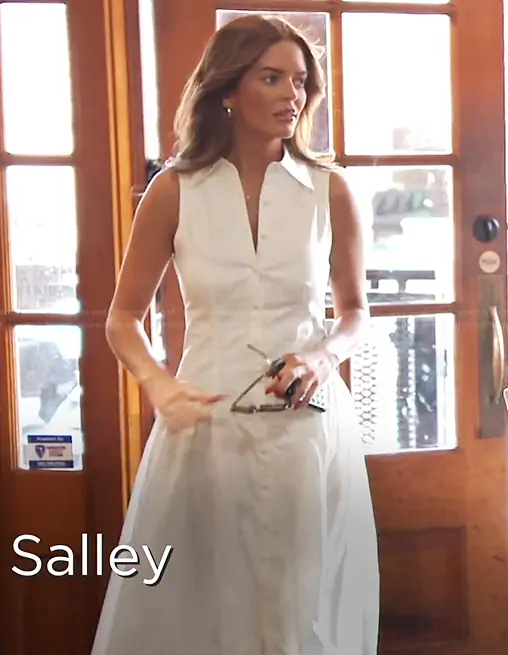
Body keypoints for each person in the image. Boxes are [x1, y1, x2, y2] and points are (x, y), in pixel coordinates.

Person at [91, 14, 379, 655]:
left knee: (301, 612)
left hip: (306, 429)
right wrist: (158, 384)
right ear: (227, 89)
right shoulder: (174, 189)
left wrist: (322, 357)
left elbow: (356, 312)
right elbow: (122, 318)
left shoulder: (330, 190)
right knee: (196, 614)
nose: (292, 95)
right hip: (203, 426)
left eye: (300, 81)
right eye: (271, 78)